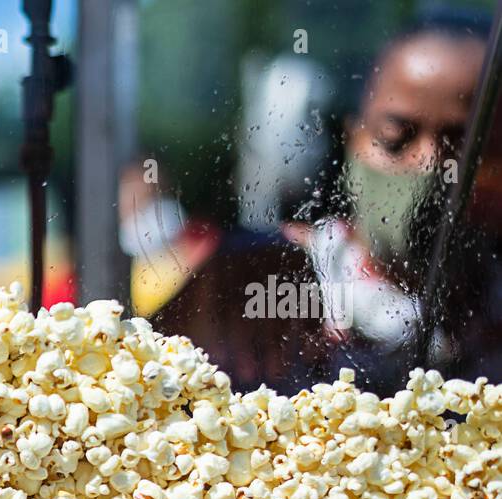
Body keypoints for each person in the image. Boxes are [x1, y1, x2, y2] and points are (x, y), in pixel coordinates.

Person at [155, 12, 491, 395]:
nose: (428, 163)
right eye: (395, 136)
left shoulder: (488, 315)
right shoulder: (255, 281)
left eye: (462, 147)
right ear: (354, 137)